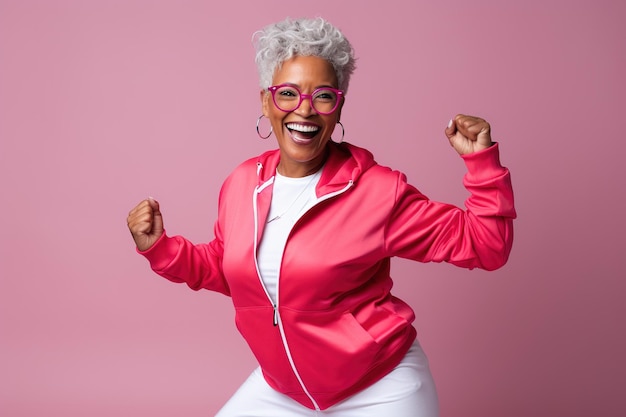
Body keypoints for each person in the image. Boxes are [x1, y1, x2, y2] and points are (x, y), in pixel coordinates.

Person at [126, 16, 516, 417]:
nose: (305, 111)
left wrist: (481, 164)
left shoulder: (378, 192)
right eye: (288, 94)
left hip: (380, 386)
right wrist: (162, 249)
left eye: (324, 96)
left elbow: (487, 246)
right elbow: (233, 270)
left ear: (339, 104)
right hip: (284, 389)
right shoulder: (242, 183)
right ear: (265, 101)